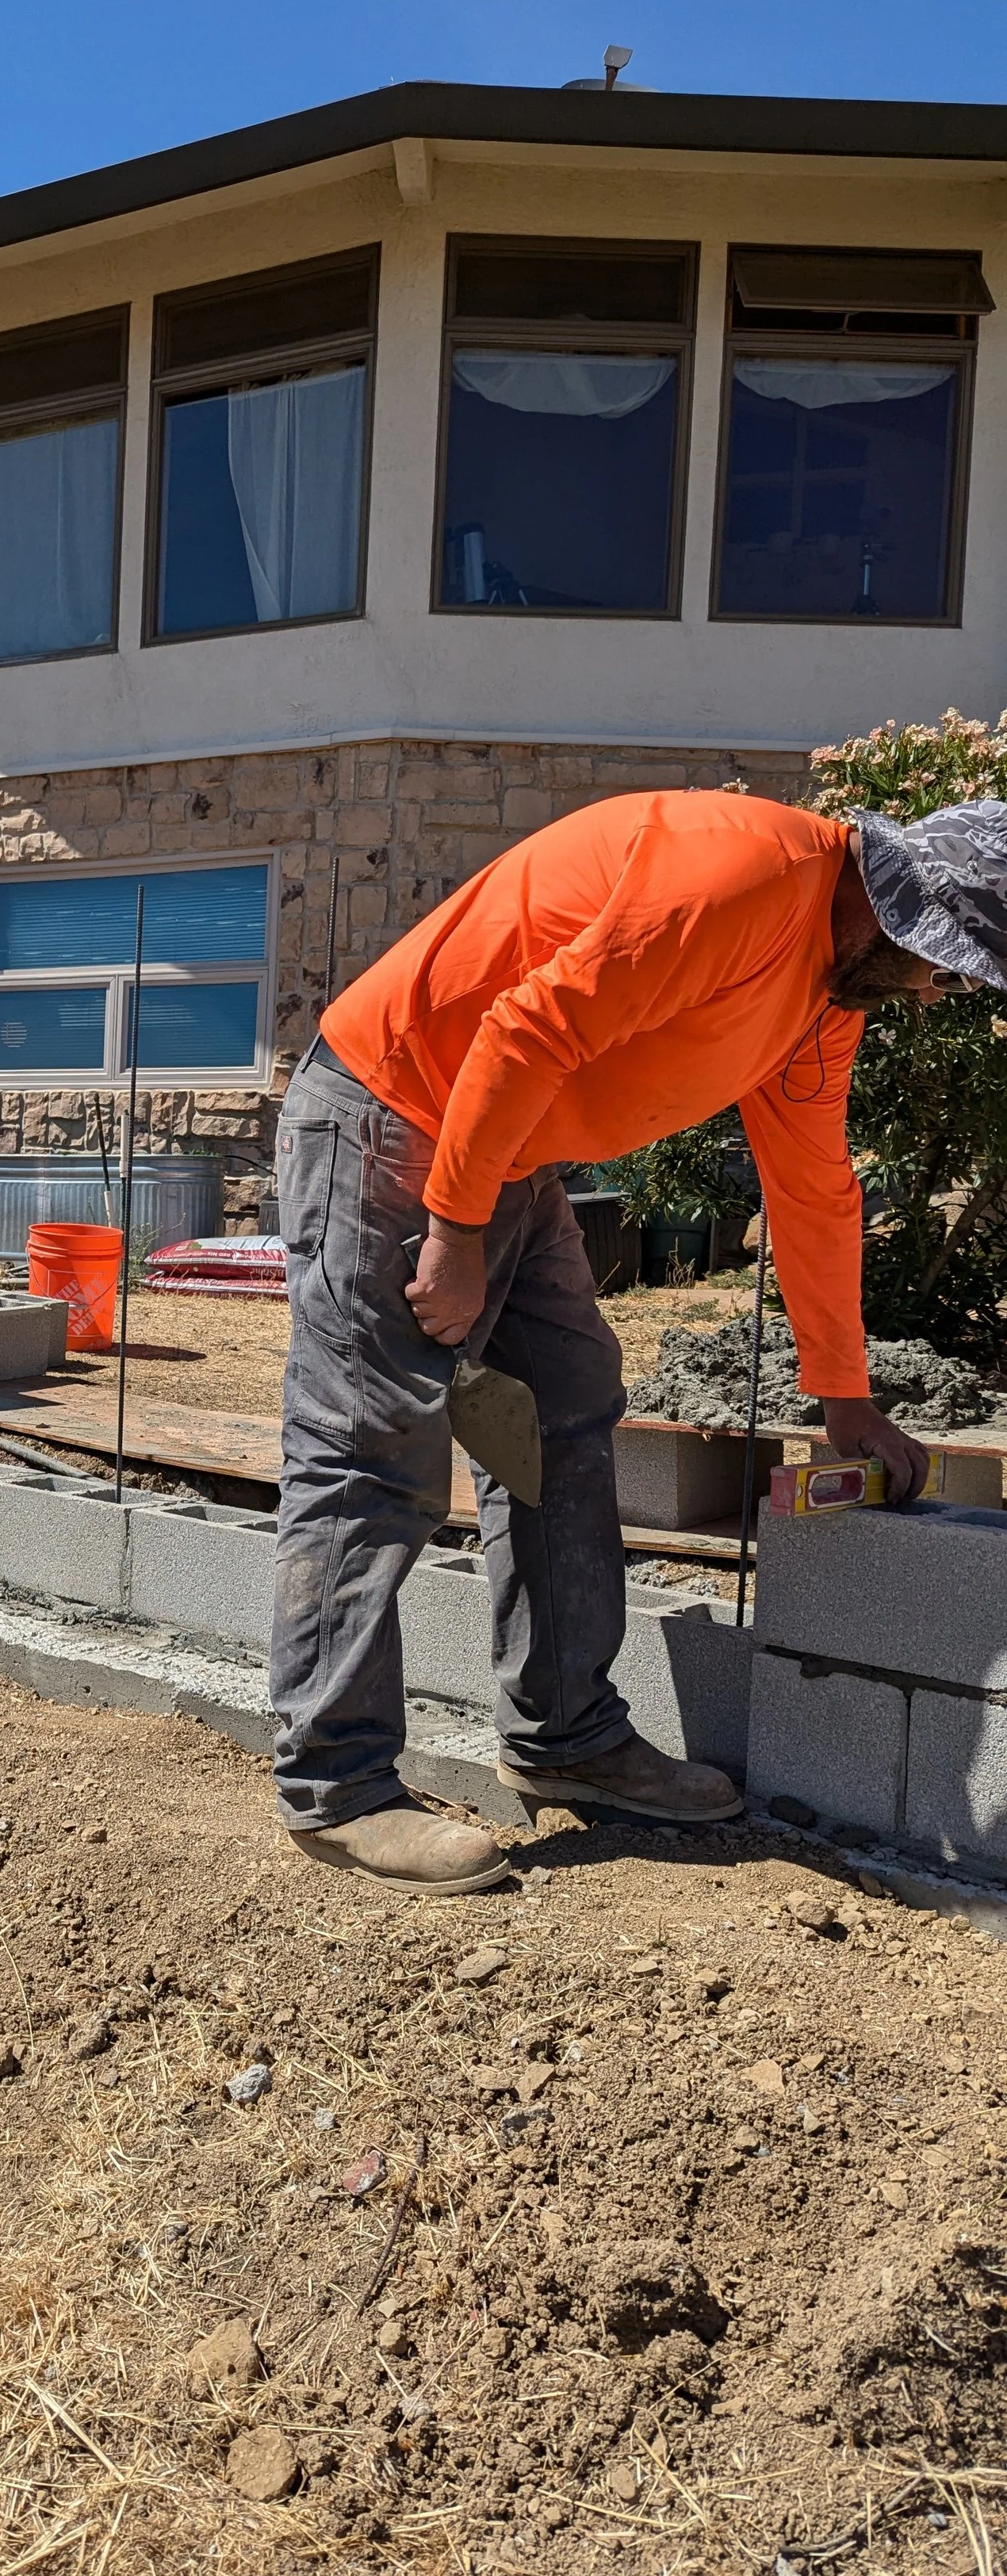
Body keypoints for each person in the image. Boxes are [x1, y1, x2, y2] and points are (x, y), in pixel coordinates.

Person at [271, 788, 1007, 1896]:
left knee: (564, 1400)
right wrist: (456, 1230)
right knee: (374, 1438)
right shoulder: (740, 879)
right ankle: (336, 1789)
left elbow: (812, 1186)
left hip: (505, 1148)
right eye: (942, 963)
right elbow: (525, 1028)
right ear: (899, 908)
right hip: (394, 1113)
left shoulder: (826, 988)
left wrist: (843, 1397)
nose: (935, 989)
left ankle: (566, 1736)